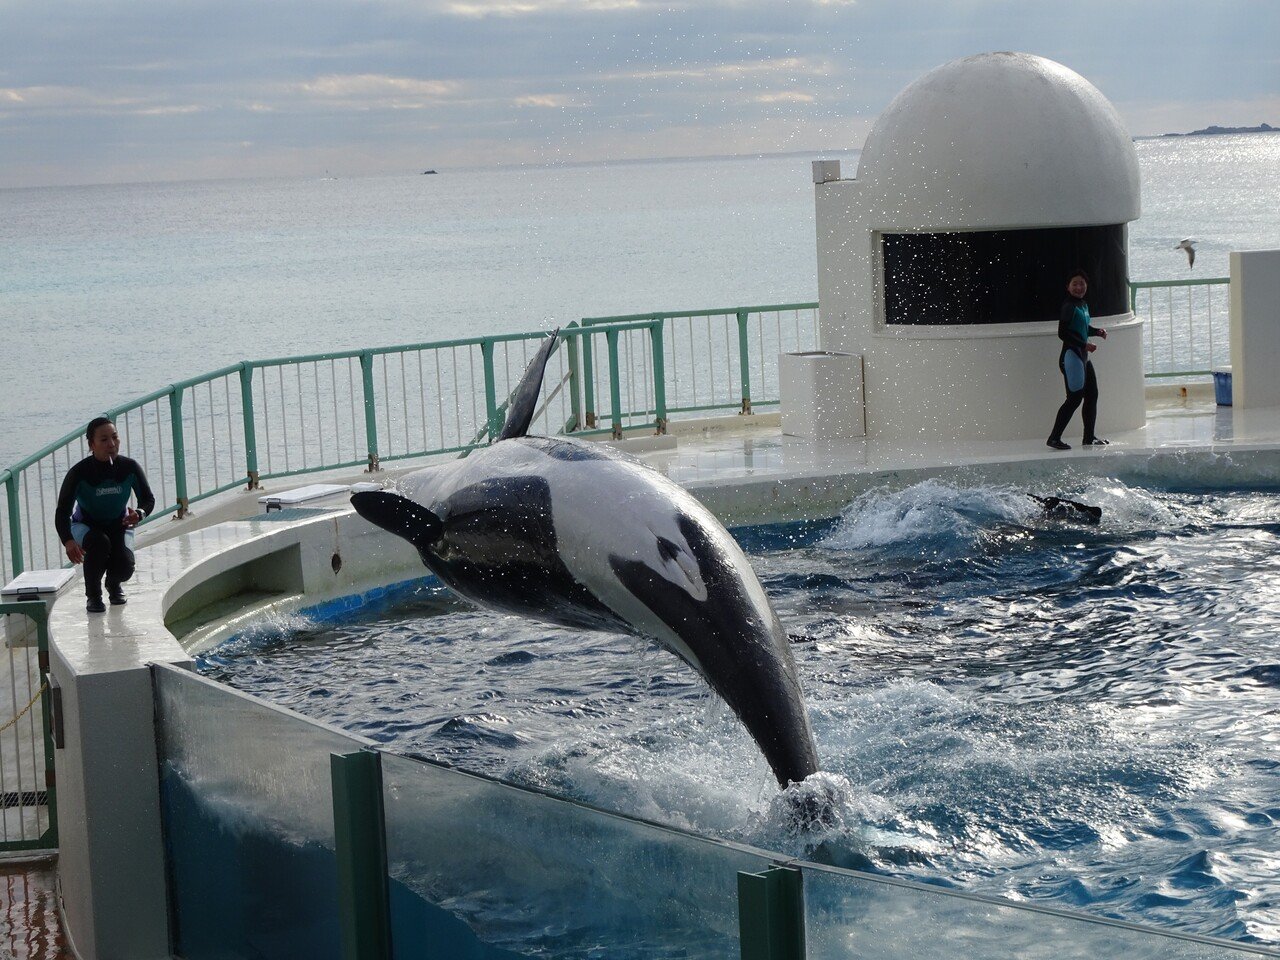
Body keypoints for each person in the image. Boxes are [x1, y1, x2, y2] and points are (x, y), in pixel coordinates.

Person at [54, 417, 156, 613]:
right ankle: (93, 596)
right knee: (100, 544)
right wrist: (68, 540)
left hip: (120, 523)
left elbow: (148, 499)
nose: (111, 444)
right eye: (103, 440)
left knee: (126, 567)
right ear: (91, 445)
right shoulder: (79, 473)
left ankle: (113, 583)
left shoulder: (129, 467)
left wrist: (140, 514)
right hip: (85, 525)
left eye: (115, 437)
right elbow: (62, 511)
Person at [1047, 268, 1109, 450]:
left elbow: (1082, 327)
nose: (1079, 287)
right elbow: (1063, 333)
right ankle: (1054, 438)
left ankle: (1089, 438)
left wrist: (1096, 331)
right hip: (1071, 356)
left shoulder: (1082, 305)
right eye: (1075, 283)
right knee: (1074, 399)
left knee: (1092, 394)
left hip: (1083, 357)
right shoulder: (1068, 306)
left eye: (1082, 283)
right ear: (1068, 287)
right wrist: (1084, 345)